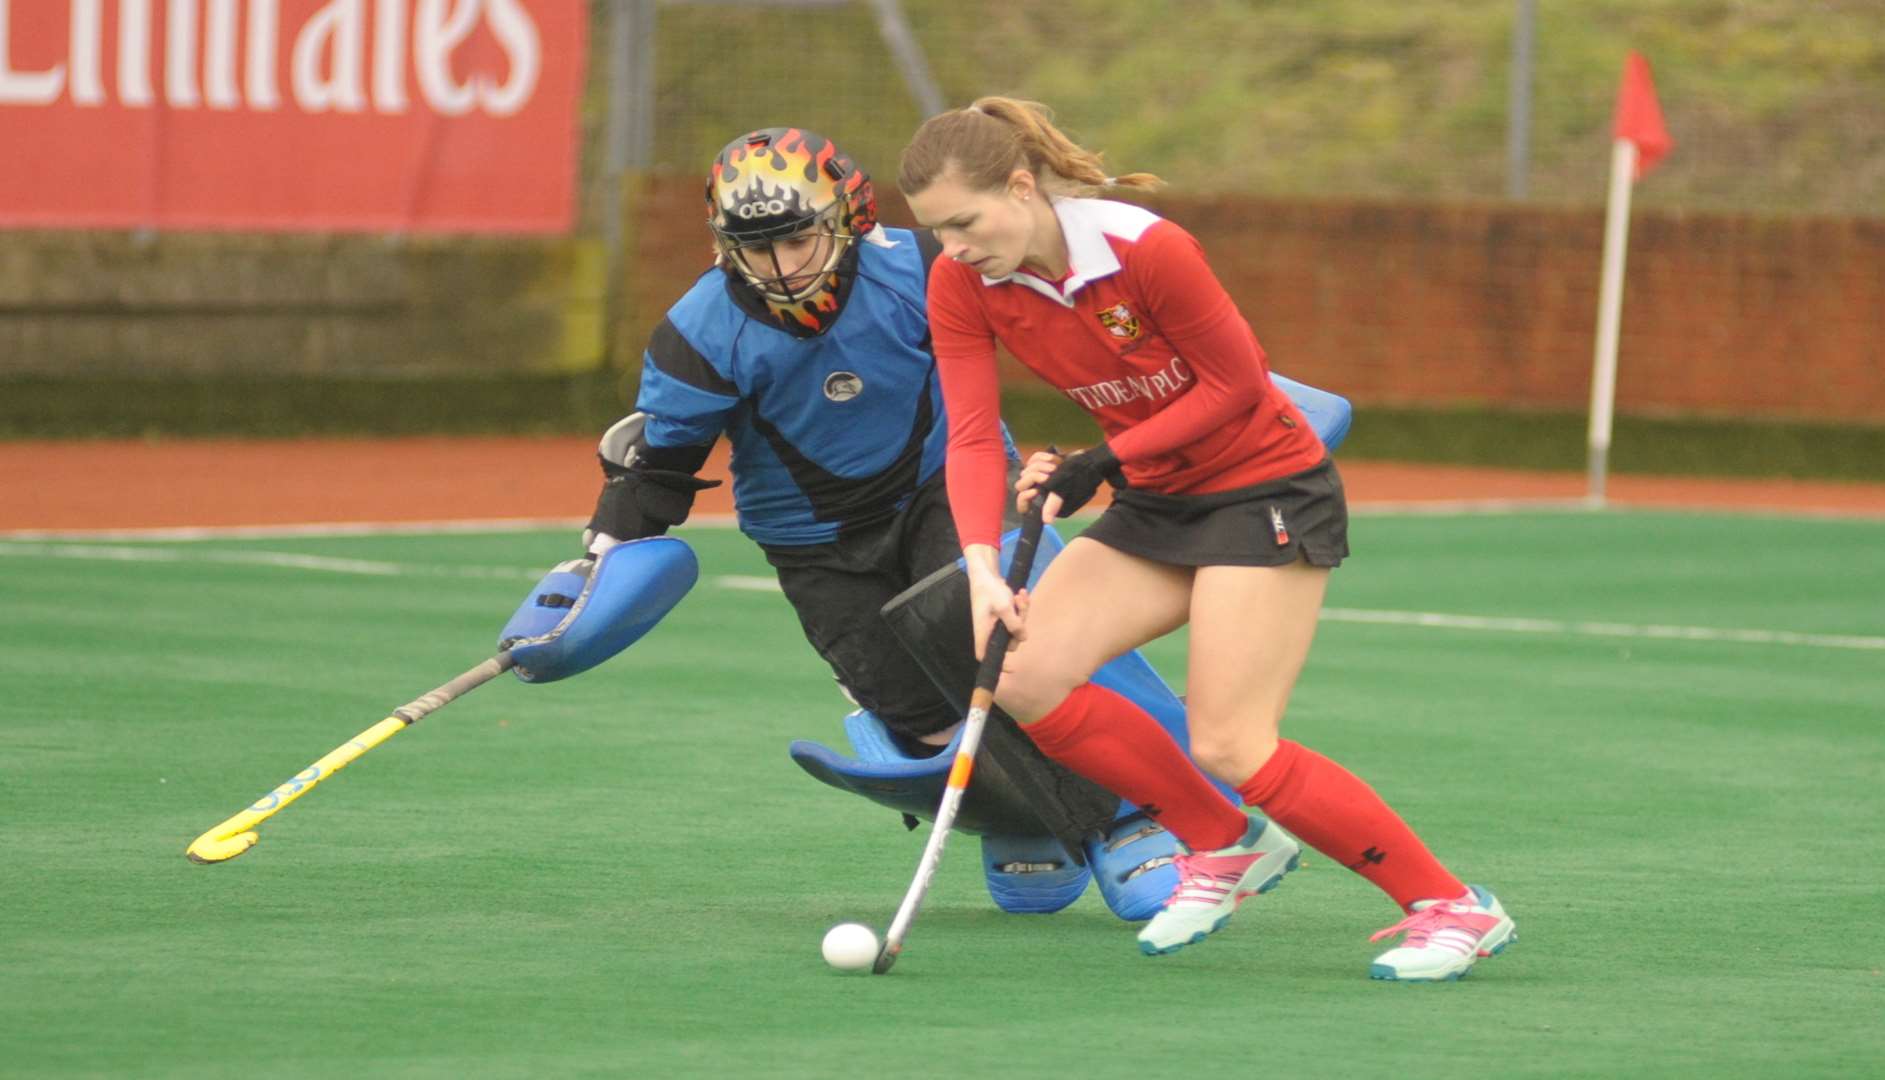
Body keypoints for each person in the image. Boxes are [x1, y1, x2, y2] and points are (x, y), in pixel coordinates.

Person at [898, 97, 1517, 981]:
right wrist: (982, 567)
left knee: (1231, 742)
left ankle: (1452, 905)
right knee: (1020, 672)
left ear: (1022, 186)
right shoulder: (962, 281)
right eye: (935, 230)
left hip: (1264, 490)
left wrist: (1100, 460)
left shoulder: (1146, 250)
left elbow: (1236, 385)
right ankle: (1226, 846)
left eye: (964, 221)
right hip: (1160, 501)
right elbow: (966, 435)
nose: (952, 246)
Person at [528, 126, 1196, 920]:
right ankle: (1027, 823)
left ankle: (1124, 821)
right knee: (918, 720)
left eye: (796, 238)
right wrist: (595, 563)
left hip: (946, 489)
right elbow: (660, 470)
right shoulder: (697, 333)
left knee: (1006, 652)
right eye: (754, 247)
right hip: (811, 543)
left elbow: (1042, 325)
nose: (780, 266)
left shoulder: (922, 267)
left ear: (847, 217)